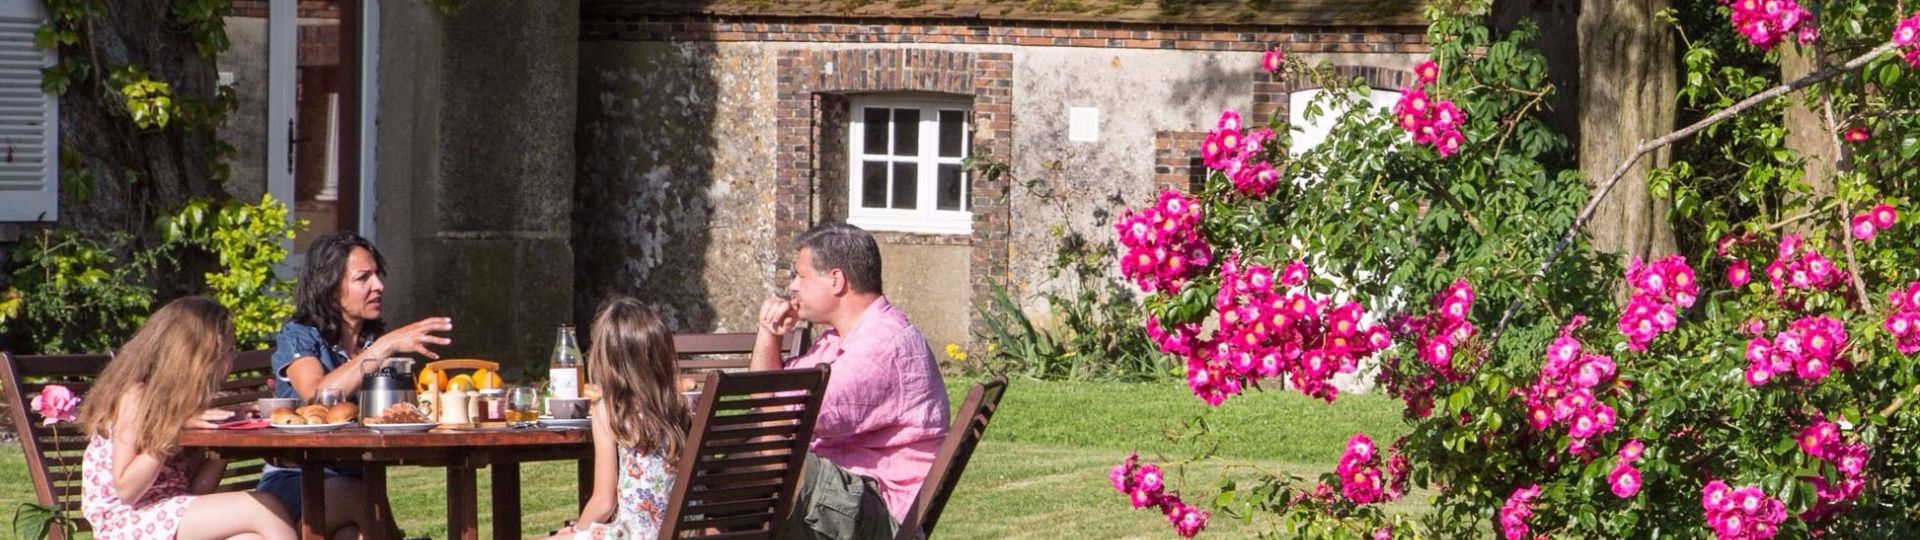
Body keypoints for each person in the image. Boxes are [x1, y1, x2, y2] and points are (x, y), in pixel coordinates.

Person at [751, 222, 950, 539]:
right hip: (844, 495)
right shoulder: (836, 340)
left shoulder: (882, 346)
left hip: (880, 511)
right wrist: (769, 333)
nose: (793, 286)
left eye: (801, 276)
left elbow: (785, 419)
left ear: (836, 280)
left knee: (757, 458)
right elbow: (764, 399)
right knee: (737, 472)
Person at [257, 232, 454, 539]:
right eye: (363, 277)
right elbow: (317, 395)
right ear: (329, 287)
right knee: (361, 498)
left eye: (378, 275)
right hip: (297, 481)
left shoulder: (371, 341)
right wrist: (384, 348)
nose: (379, 286)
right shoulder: (300, 335)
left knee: (351, 535)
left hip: (353, 480)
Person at [77, 296, 297, 540]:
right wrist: (171, 430)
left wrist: (225, 437)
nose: (233, 358)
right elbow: (127, 490)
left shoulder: (187, 402)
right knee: (263, 506)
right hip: (125, 521)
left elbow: (196, 488)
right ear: (198, 356)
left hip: (167, 512)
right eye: (229, 350)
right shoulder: (136, 397)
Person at [544, 296, 692, 539]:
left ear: (608, 360)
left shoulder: (609, 412)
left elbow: (604, 502)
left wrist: (575, 530)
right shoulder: (681, 408)